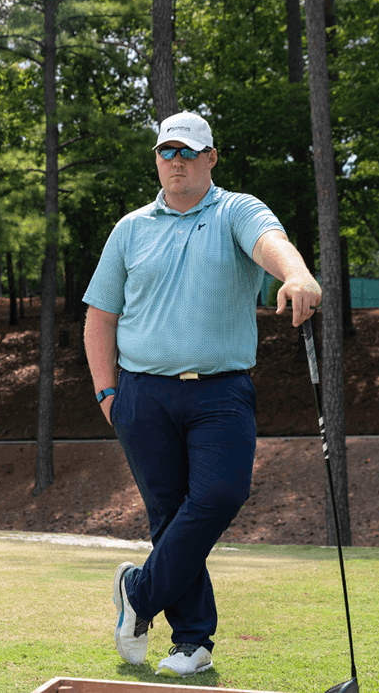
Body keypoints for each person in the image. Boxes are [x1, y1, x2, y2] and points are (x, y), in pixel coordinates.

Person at [83, 111, 321, 679]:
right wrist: (106, 394)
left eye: (188, 152)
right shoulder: (131, 228)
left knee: (219, 495)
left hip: (221, 393)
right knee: (169, 517)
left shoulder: (235, 210)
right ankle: (192, 642)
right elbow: (100, 318)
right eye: (167, 152)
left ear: (211, 158)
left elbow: (272, 242)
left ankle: (138, 593)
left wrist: (297, 274)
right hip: (141, 395)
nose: (177, 162)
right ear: (157, 159)